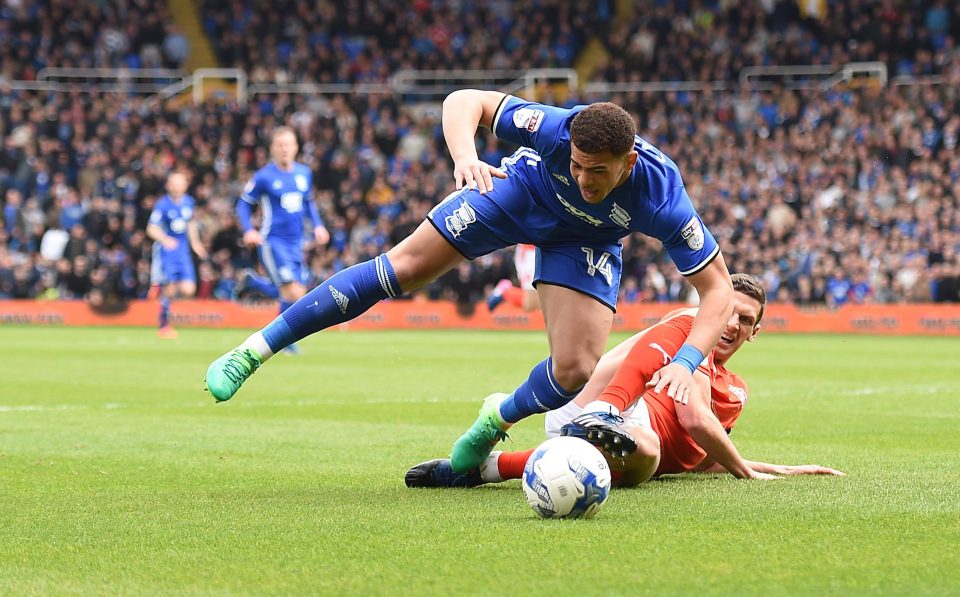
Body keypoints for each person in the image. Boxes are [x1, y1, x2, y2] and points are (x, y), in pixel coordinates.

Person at [205, 90, 734, 475]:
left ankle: (494, 420)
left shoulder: (662, 196)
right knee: (403, 269)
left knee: (575, 369)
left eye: (597, 171)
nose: (583, 178)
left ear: (629, 162)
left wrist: (688, 363)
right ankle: (254, 349)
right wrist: (465, 157)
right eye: (576, 166)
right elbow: (465, 102)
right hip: (516, 192)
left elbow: (718, 289)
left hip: (586, 242)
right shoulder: (554, 127)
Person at [405, 274, 845, 488]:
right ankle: (606, 408)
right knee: (681, 330)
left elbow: (702, 454)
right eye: (725, 312)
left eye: (744, 320)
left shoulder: (736, 393)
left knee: (617, 455)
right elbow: (693, 419)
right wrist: (746, 473)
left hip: (618, 444)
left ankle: (480, 470)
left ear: (755, 332)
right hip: (604, 401)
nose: (730, 325)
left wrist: (775, 468)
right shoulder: (695, 340)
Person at [234, 127, 330, 354]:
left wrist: (318, 225)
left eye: (289, 144)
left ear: (296, 147)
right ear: (272, 149)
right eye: (280, 145)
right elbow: (243, 205)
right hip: (272, 242)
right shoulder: (264, 177)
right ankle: (283, 339)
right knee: (296, 294)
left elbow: (309, 203)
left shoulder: (304, 173)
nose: (285, 149)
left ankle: (253, 283)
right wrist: (249, 230)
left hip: (296, 243)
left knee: (293, 293)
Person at [146, 172, 207, 338]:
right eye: (173, 183)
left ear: (185, 186)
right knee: (171, 287)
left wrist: (196, 244)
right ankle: (164, 325)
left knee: (188, 289)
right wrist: (165, 240)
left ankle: (163, 297)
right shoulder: (162, 205)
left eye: (180, 184)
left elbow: (191, 224)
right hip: (167, 252)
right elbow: (151, 228)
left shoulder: (189, 202)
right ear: (168, 186)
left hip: (183, 252)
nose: (177, 187)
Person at [486, 243, 541, 313]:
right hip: (531, 251)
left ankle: (507, 291)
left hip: (535, 248)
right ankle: (506, 291)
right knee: (533, 303)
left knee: (538, 304)